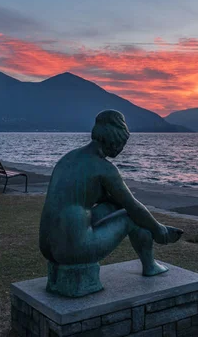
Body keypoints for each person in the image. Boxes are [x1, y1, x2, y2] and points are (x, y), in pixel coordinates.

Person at [39, 109, 183, 276]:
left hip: (48, 245)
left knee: (113, 206)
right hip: (73, 249)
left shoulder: (69, 158)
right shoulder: (104, 168)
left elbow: (86, 194)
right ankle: (150, 265)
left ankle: (151, 259)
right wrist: (159, 230)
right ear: (115, 139)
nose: (122, 149)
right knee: (132, 216)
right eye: (123, 142)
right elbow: (132, 206)